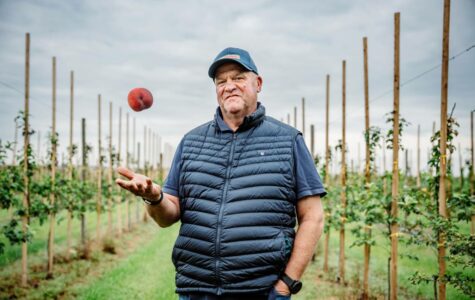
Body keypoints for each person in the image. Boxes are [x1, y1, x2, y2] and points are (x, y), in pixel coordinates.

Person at [116, 47, 326, 300]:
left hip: (260, 290)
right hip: (196, 289)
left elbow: (313, 217)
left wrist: (286, 285)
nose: (229, 86)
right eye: (221, 81)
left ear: (257, 83)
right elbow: (166, 217)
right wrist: (154, 197)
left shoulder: (288, 141)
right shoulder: (192, 142)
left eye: (238, 77)